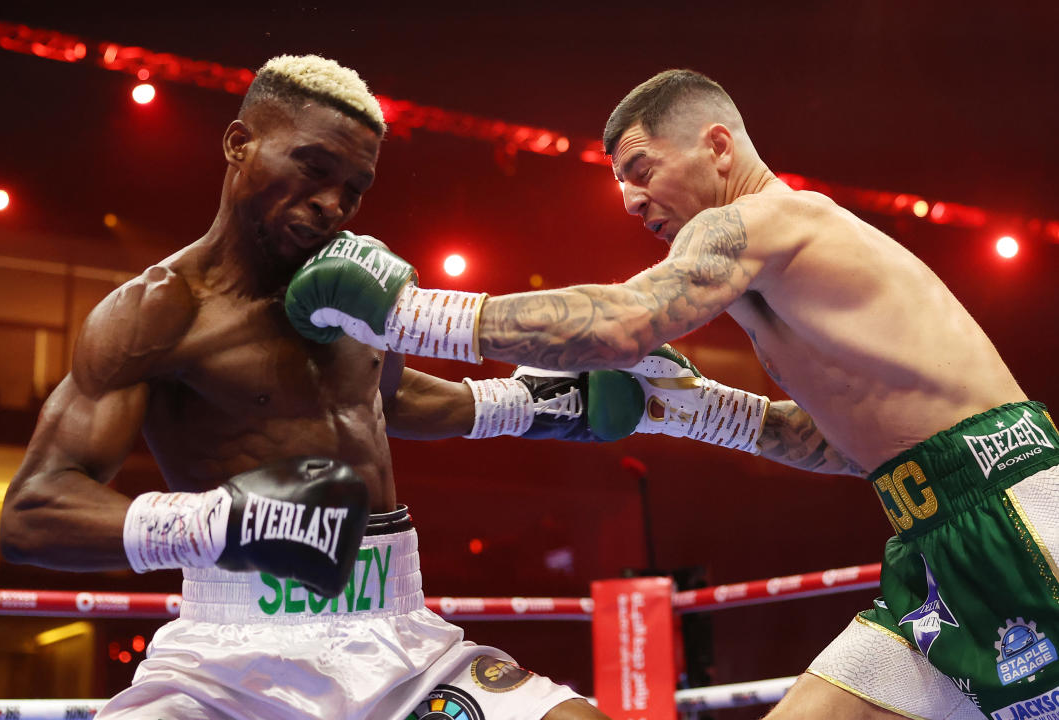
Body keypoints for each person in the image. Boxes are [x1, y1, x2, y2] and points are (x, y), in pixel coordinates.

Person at [289, 69, 1059, 720]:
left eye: (641, 169)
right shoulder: (778, 277)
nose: (628, 199)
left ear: (716, 145)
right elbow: (850, 445)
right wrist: (693, 409)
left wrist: (404, 314)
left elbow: (624, 324)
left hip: (1020, 510)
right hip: (931, 537)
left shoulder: (765, 220)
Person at [0, 54, 613, 720]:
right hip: (224, 665)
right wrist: (215, 523)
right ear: (240, 143)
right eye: (314, 168)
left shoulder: (352, 283)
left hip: (397, 641)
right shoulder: (157, 312)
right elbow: (33, 512)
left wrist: (525, 404)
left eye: (355, 186)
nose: (332, 205)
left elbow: (385, 399)